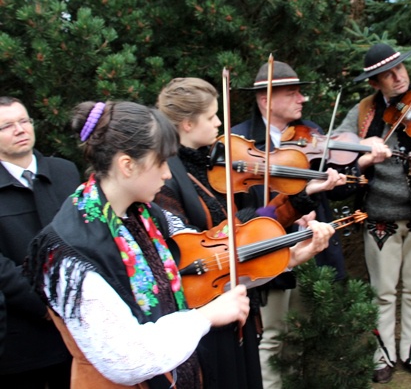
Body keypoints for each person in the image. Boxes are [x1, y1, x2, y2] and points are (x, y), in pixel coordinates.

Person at [24, 100, 336, 388]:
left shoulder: (145, 215)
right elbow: (125, 358)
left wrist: (288, 255)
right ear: (126, 165)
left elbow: (209, 263)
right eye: (160, 163)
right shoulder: (69, 254)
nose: (166, 174)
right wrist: (205, 317)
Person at [333, 43, 411, 384]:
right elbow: (336, 145)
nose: (398, 77)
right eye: (387, 75)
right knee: (383, 291)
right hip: (379, 214)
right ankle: (383, 353)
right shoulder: (363, 111)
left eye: (400, 68)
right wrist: (363, 149)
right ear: (375, 83)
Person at [233, 61, 349, 389]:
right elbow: (237, 209)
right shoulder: (240, 141)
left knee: (301, 330)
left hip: (310, 244)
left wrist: (355, 166)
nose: (302, 99)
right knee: (272, 335)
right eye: (292, 93)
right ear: (267, 100)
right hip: (268, 248)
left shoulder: (310, 132)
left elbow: (341, 189)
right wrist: (285, 209)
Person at [0, 96, 78, 388]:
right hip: (23, 334)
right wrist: (43, 305)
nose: (20, 129)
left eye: (23, 121)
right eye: (7, 126)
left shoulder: (64, 171)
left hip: (78, 325)